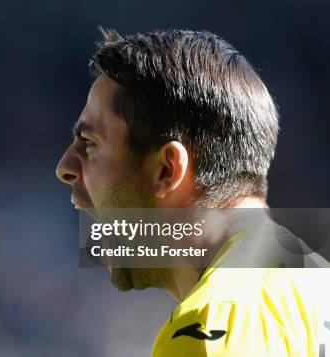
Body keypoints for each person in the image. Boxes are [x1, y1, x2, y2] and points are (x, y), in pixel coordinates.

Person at [56, 28, 329, 356]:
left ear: (167, 170)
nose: (65, 167)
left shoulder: (204, 330)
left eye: (90, 143)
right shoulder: (317, 286)